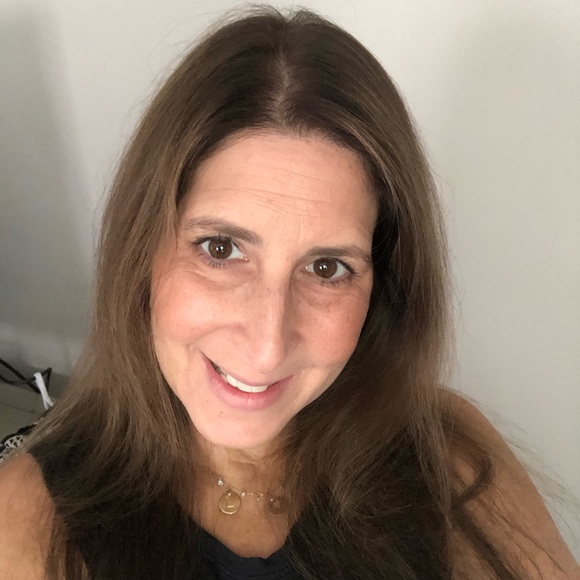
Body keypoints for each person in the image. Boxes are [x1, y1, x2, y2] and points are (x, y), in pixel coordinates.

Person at [0, 7, 578, 579]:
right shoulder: (25, 520)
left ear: (383, 283)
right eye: (221, 248)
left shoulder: (448, 457)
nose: (267, 347)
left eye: (326, 268)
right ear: (141, 248)